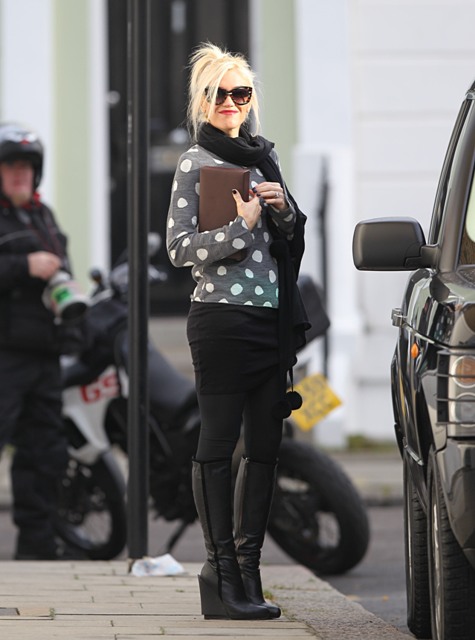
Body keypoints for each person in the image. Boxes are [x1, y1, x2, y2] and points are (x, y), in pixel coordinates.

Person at [167, 43, 309, 620]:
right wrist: (240, 226)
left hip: (269, 323)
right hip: (221, 321)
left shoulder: (264, 159)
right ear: (202, 102)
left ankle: (249, 573)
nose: (230, 102)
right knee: (219, 443)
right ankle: (220, 573)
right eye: (218, 93)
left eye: (240, 92)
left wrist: (283, 211)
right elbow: (179, 249)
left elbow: (290, 241)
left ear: (250, 100)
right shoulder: (195, 163)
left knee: (267, 448)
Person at [0, 123, 76, 559]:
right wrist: (22, 265)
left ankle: (38, 551)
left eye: (26, 167)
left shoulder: (43, 215)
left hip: (44, 353)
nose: (19, 174)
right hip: (5, 356)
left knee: (45, 454)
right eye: (11, 165)